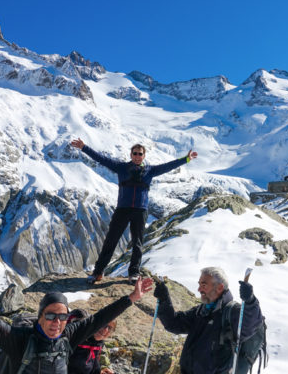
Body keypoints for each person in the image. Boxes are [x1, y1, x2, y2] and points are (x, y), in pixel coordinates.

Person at [0, 261, 153, 374]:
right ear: (40, 317)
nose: (57, 322)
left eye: (62, 317)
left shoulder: (68, 335)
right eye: (51, 315)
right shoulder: (20, 340)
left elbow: (100, 318)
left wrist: (131, 297)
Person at [70, 138, 197, 283]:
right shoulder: (121, 167)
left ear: (144, 156)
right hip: (122, 210)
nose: (137, 156)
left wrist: (186, 159)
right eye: (135, 153)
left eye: (140, 154)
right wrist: (84, 147)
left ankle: (134, 273)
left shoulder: (151, 170)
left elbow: (169, 166)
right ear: (131, 155)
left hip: (140, 211)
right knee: (111, 241)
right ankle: (98, 272)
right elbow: (102, 159)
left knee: (137, 243)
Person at [153, 267, 264, 374]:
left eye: (204, 285)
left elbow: (251, 324)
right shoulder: (201, 311)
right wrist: (164, 299)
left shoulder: (232, 312)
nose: (199, 289)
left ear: (219, 287)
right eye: (199, 284)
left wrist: (250, 301)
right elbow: (174, 323)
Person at [67, 310, 117, 374]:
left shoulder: (98, 343)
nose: (105, 330)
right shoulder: (78, 336)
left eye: (110, 328)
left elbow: (93, 365)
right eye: (104, 324)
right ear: (96, 322)